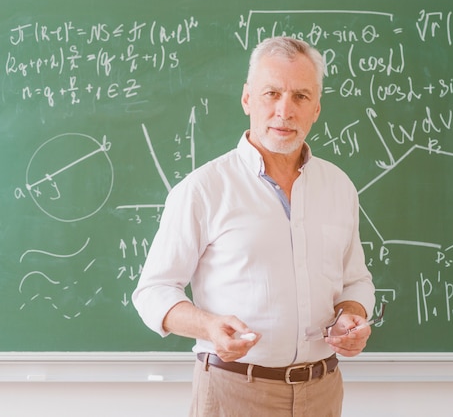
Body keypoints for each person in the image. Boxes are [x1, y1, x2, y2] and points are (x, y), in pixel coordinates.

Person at [132, 36, 376, 417]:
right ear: (247, 98)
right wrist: (209, 326)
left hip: (323, 392)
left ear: (316, 109)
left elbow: (356, 281)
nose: (285, 110)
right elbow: (152, 292)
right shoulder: (203, 189)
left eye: (300, 96)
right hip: (233, 392)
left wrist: (350, 314)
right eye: (272, 93)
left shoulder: (339, 187)